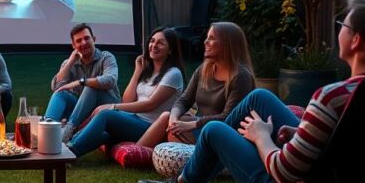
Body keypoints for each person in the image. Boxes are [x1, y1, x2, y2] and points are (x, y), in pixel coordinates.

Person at [137, 0, 365, 183]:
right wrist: (298, 136)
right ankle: (186, 181)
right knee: (259, 98)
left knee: (214, 130)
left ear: (356, 40)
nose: (339, 31)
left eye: (343, 26)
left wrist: (262, 137)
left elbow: (285, 172)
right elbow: (345, 143)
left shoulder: (333, 97)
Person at [135, 21, 256, 149]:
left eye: (212, 38)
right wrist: (174, 118)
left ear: (227, 44)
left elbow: (229, 117)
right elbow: (184, 100)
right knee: (168, 118)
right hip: (199, 126)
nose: (205, 42)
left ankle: (144, 152)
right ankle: (139, 152)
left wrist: (192, 124)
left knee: (175, 131)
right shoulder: (204, 70)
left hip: (221, 135)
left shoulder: (241, 77)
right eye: (207, 38)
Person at [67, 27, 185, 157]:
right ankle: (70, 146)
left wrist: (113, 106)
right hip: (135, 120)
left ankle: (69, 152)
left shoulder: (173, 74)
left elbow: (150, 104)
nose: (154, 46)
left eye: (160, 43)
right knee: (106, 135)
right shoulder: (148, 72)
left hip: (150, 127)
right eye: (152, 41)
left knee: (105, 115)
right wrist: (138, 70)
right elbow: (127, 100)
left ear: (170, 50)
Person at [45, 23, 120, 143]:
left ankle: (68, 132)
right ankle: (48, 129)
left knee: (91, 87)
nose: (83, 43)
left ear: (94, 39)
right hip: (82, 109)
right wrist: (70, 62)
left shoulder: (106, 57)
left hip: (108, 107)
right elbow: (56, 87)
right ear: (74, 45)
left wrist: (81, 82)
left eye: (87, 38)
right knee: (61, 94)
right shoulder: (70, 63)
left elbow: (110, 81)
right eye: (78, 41)